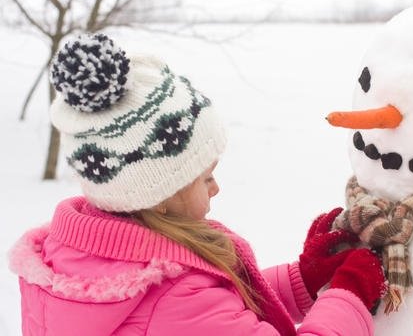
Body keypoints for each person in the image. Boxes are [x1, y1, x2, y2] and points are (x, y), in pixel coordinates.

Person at [9, 34, 385, 335]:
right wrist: (348, 297)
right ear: (156, 195)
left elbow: (219, 315)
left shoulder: (77, 257)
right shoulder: (174, 299)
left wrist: (300, 279)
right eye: (205, 177)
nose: (216, 188)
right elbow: (194, 311)